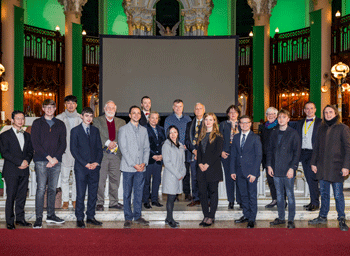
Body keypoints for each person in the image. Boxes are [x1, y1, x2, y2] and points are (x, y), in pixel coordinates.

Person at [309, 105, 350, 231]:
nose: (328, 114)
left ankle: (341, 218)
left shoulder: (343, 128)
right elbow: (316, 147)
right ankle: (322, 216)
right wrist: (313, 163)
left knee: (338, 195)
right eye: (325, 112)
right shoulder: (321, 128)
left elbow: (348, 148)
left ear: (336, 113)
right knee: (324, 194)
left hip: (337, 167)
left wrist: (346, 166)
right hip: (322, 167)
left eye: (330, 112)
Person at [31, 99, 66, 228]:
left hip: (56, 161)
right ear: (43, 109)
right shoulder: (37, 123)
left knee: (52, 189)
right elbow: (35, 143)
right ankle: (39, 218)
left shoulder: (60, 124)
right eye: (47, 107)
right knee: (40, 189)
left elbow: (63, 143)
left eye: (52, 107)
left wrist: (55, 158)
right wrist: (48, 158)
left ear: (55, 109)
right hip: (41, 160)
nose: (50, 109)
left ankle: (51, 215)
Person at [0, 110, 34, 230]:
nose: (21, 121)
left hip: (24, 170)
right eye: (18, 118)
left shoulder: (27, 135)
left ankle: (20, 219)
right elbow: (5, 153)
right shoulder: (4, 135)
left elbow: (30, 151)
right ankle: (9, 221)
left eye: (22, 119)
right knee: (11, 196)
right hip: (11, 170)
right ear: (12, 120)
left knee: (22, 196)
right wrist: (19, 162)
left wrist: (26, 161)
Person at [267, 109, 301, 229]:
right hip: (276, 169)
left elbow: (297, 153)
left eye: (283, 117)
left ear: (288, 119)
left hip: (288, 170)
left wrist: (293, 168)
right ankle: (281, 218)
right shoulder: (274, 133)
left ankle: (291, 219)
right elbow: (269, 151)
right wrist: (269, 165)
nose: (281, 119)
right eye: (279, 117)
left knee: (290, 195)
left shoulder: (293, 133)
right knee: (279, 196)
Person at [70, 107, 103, 228]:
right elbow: (73, 150)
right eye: (86, 116)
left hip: (94, 168)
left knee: (93, 194)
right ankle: (79, 218)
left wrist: (96, 163)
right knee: (80, 194)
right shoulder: (75, 131)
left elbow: (100, 149)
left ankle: (90, 216)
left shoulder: (95, 130)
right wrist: (85, 163)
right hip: (81, 168)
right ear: (82, 116)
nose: (89, 118)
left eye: (91, 116)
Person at [119, 106, 150, 228]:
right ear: (129, 115)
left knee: (139, 193)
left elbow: (147, 148)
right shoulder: (123, 129)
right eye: (134, 113)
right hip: (128, 167)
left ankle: (137, 216)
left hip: (141, 168)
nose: (136, 115)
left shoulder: (144, 130)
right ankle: (128, 218)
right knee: (127, 194)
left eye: (138, 113)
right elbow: (123, 149)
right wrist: (134, 164)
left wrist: (144, 163)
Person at [93, 100, 126, 211]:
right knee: (100, 180)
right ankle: (99, 203)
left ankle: (113, 202)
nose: (110, 110)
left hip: (116, 155)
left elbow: (123, 136)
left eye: (113, 108)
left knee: (115, 180)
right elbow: (96, 134)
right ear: (104, 109)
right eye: (108, 108)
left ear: (115, 110)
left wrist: (115, 143)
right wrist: (108, 143)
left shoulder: (122, 122)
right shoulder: (97, 120)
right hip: (102, 154)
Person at [231, 115, 262, 229]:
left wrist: (254, 173)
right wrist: (232, 171)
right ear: (239, 124)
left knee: (252, 196)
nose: (244, 125)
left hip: (251, 173)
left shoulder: (255, 137)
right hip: (239, 172)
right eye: (242, 123)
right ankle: (246, 215)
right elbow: (233, 155)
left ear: (250, 124)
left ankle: (252, 219)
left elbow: (258, 156)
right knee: (243, 195)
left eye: (246, 123)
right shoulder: (236, 137)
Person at [197, 113, 223, 227]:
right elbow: (198, 152)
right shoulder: (201, 135)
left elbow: (217, 153)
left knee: (213, 193)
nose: (208, 122)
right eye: (206, 120)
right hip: (201, 169)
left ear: (214, 121)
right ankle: (205, 215)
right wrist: (200, 164)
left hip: (213, 168)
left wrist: (207, 164)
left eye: (210, 120)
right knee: (202, 194)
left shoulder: (218, 136)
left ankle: (211, 216)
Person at [56, 95, 82, 210]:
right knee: (64, 178)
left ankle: (75, 200)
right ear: (65, 105)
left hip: (78, 154)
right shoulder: (59, 118)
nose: (71, 105)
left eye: (73, 103)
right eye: (68, 103)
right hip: (64, 153)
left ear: (76, 105)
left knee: (77, 178)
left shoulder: (81, 118)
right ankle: (65, 200)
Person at [164, 99, 192, 201]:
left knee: (186, 172)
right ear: (173, 107)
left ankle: (187, 193)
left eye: (180, 106)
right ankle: (174, 194)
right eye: (176, 106)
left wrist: (185, 145)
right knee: (174, 171)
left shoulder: (188, 119)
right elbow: (167, 135)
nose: (178, 108)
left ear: (183, 107)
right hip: (173, 150)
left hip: (186, 150)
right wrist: (178, 145)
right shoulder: (168, 119)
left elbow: (190, 134)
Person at [296, 102, 322, 211]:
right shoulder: (300, 122)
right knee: (309, 178)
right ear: (304, 110)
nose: (309, 110)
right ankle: (313, 200)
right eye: (307, 108)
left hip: (314, 153)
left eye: (311, 108)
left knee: (312, 179)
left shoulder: (321, 122)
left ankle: (315, 203)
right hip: (303, 152)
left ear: (315, 109)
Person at [162, 125, 186, 228]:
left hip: (178, 176)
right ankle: (170, 219)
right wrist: (177, 174)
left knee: (174, 197)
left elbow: (183, 162)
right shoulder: (166, 145)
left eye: (175, 132)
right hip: (171, 176)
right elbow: (167, 162)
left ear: (178, 133)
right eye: (171, 132)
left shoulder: (180, 145)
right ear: (168, 134)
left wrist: (182, 173)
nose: (173, 134)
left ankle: (168, 218)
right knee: (171, 198)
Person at [219, 105, 241, 209]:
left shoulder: (242, 124)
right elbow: (218, 140)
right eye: (230, 112)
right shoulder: (223, 124)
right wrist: (221, 151)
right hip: (226, 154)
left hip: (239, 154)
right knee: (229, 177)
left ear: (238, 114)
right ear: (228, 114)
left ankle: (240, 200)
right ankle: (231, 200)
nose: (233, 114)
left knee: (239, 177)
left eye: (235, 112)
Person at [143, 111, 166, 208]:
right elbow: (144, 144)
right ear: (149, 119)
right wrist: (152, 155)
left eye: (156, 118)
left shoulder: (161, 129)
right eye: (152, 118)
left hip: (159, 159)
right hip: (149, 158)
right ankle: (146, 200)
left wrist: (162, 155)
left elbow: (164, 143)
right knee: (146, 180)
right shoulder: (144, 129)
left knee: (157, 180)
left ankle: (155, 200)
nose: (154, 120)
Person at [185, 103, 205, 207]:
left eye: (200, 108)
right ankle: (196, 198)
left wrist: (200, 152)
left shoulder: (208, 123)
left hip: (205, 155)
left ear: (204, 110)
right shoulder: (189, 124)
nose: (198, 110)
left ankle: (206, 199)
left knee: (204, 178)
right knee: (194, 178)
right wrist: (194, 150)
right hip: (193, 155)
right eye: (196, 108)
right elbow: (187, 140)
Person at [259, 107, 280, 208]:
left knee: (279, 181)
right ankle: (274, 199)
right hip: (267, 158)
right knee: (270, 181)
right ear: (266, 116)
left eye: (273, 114)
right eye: (268, 114)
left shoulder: (280, 126)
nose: (270, 116)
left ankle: (282, 201)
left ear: (276, 115)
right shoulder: (262, 127)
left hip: (278, 158)